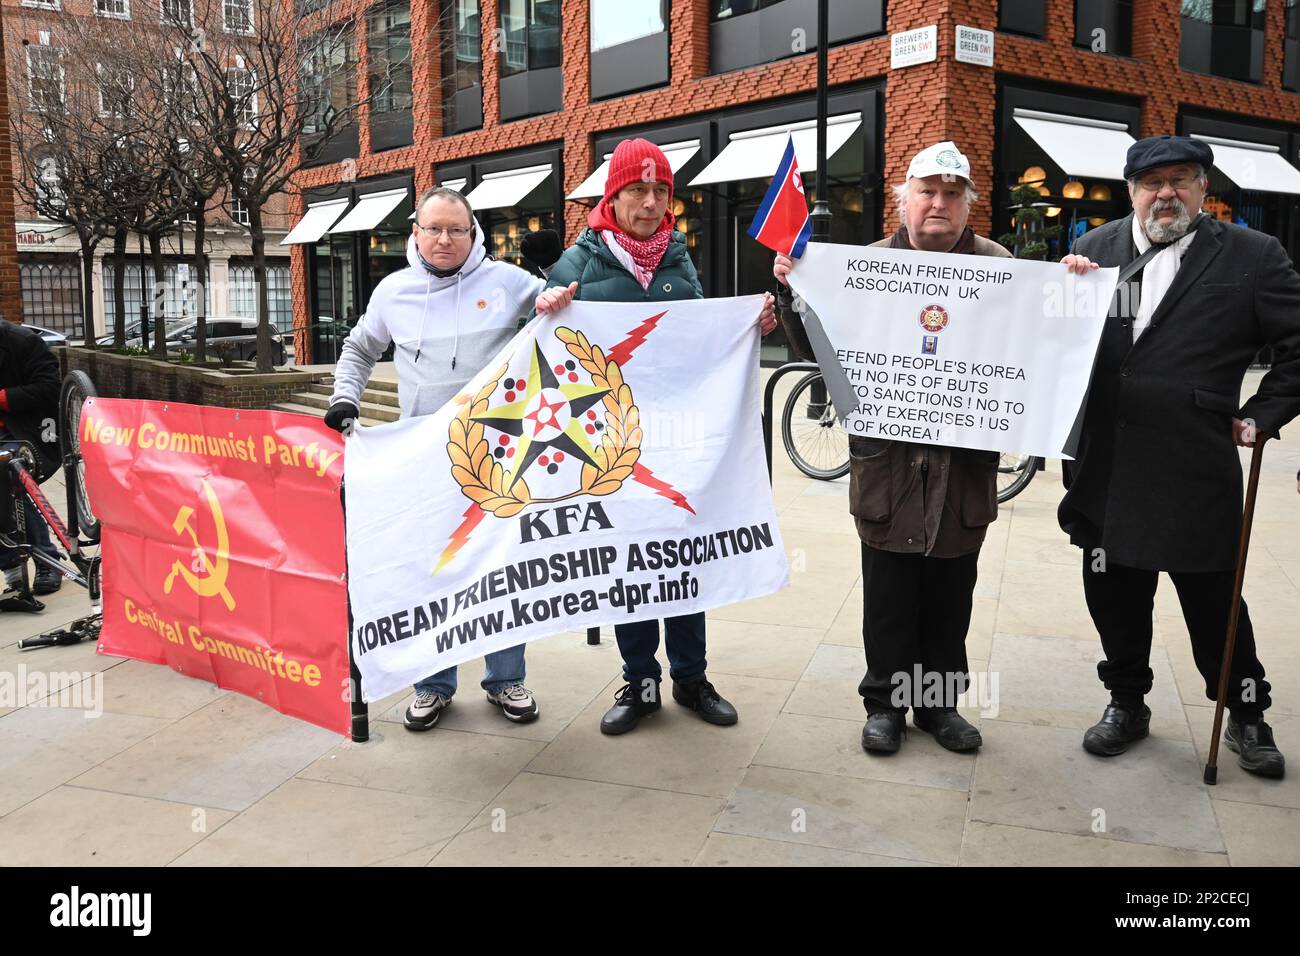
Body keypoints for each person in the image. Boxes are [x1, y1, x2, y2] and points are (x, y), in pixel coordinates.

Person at [1060, 135, 1300, 778]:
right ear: (1131, 190)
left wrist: (1261, 415)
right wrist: (1061, 297)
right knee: (1114, 592)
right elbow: (1053, 347)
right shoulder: (1091, 251)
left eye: (1181, 179)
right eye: (1151, 181)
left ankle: (1246, 713)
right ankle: (1127, 701)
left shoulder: (1253, 255)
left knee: (1215, 600)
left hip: (1194, 466)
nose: (1166, 193)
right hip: (1105, 465)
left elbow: (1297, 346)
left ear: (1203, 188)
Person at [537, 137, 777, 735]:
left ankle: (692, 680)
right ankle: (640, 683)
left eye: (660, 191)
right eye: (636, 190)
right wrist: (543, 306)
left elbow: (697, 334)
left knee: (680, 557)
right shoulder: (579, 261)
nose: (649, 203)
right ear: (612, 196)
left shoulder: (677, 256)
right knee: (628, 564)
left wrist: (749, 327)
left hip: (677, 441)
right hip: (610, 446)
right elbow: (535, 344)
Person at [775, 142, 1008, 755]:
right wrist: (796, 291)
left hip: (962, 467)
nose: (939, 203)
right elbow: (821, 350)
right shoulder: (868, 264)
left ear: (967, 204)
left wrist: (1074, 291)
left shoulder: (1001, 264)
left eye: (952, 194)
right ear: (903, 199)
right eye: (927, 191)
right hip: (890, 464)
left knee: (951, 592)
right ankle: (884, 705)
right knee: (888, 592)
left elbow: (1037, 351)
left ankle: (938, 706)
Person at [325, 186, 560, 731]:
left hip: (500, 453)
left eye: (456, 229)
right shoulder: (394, 291)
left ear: (473, 233)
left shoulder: (508, 283)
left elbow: (563, 309)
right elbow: (360, 348)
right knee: (434, 570)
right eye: (433, 228)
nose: (444, 239)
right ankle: (433, 685)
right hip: (424, 460)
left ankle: (506, 679)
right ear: (415, 232)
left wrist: (551, 298)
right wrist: (345, 397)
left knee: (504, 568)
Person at [0, 320, 63, 602]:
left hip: (29, 432)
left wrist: (2, 398)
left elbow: (50, 388)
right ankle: (12, 563)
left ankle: (45, 560)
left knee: (5, 473)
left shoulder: (23, 342)